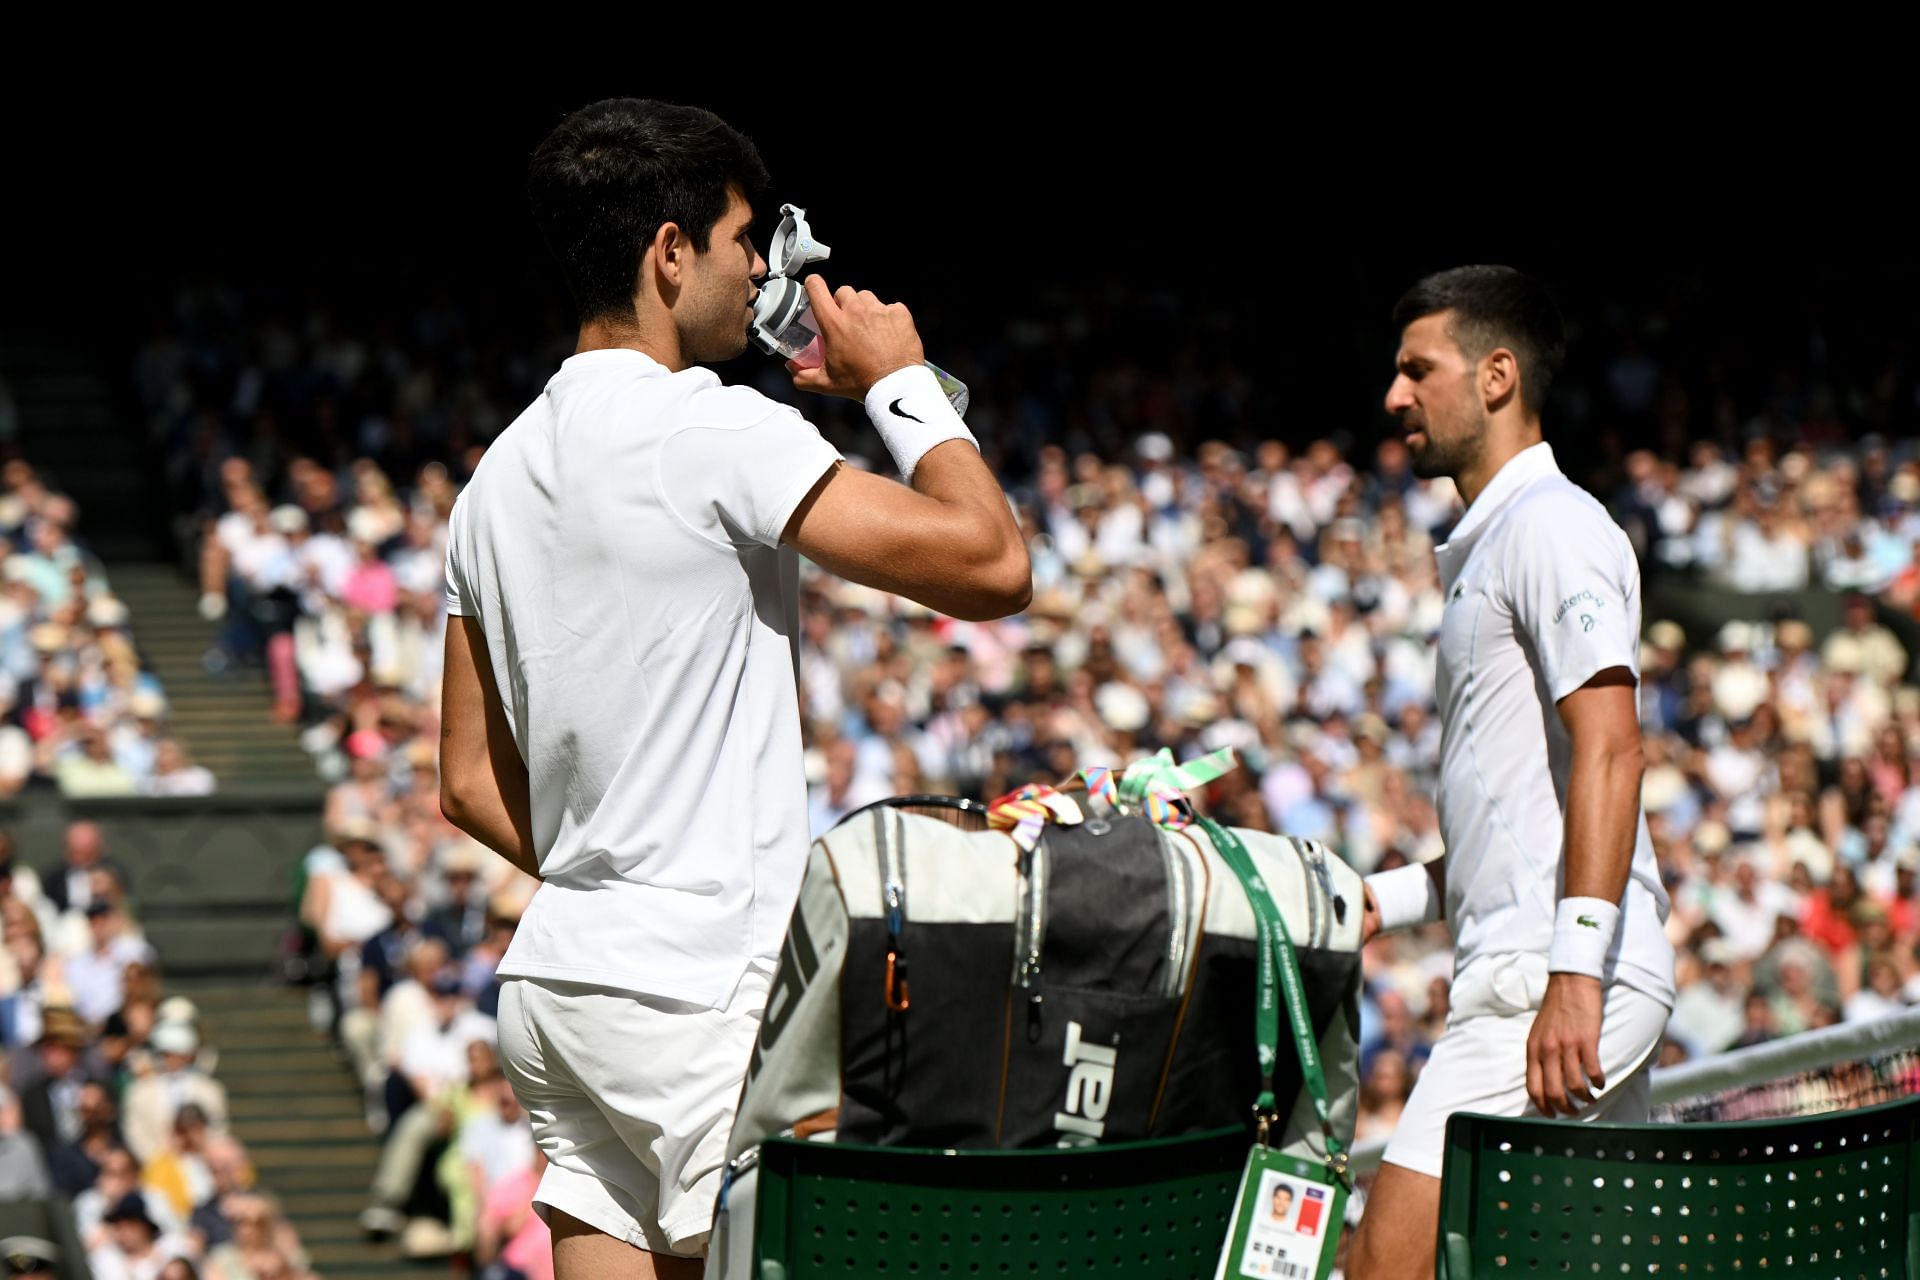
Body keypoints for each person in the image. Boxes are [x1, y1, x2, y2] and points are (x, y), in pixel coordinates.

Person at [437, 98, 1028, 1278]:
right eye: (744, 238)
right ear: (670, 252)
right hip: (703, 981)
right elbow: (991, 562)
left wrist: (617, 871)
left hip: (565, 983)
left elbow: (463, 783)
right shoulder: (714, 427)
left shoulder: (491, 477)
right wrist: (899, 385)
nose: (761, 266)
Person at [1348, 267, 1675, 1277]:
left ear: (1497, 376)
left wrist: (1574, 974)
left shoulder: (1551, 524)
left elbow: (1616, 745)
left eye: (1417, 369)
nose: (1394, 394)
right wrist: (1383, 897)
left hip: (1558, 976)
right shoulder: (1499, 540)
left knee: (1381, 1265)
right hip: (1551, 969)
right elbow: (1520, 822)